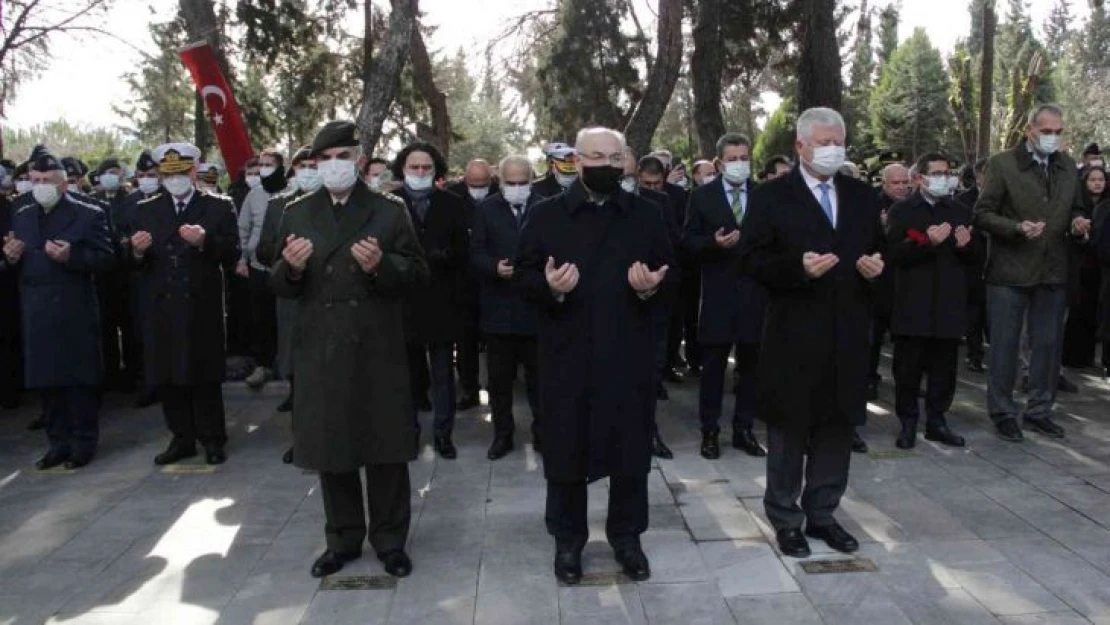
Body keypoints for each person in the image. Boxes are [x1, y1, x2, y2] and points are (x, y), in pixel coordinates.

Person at [515, 127, 674, 584]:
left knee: (629, 451)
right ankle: (568, 541)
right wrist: (549, 289)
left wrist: (652, 288)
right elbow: (524, 277)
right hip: (567, 353)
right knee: (566, 449)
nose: (604, 164)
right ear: (575, 161)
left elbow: (672, 272)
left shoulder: (646, 213)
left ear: (625, 159)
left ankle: (628, 538)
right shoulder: (547, 215)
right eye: (594, 157)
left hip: (629, 352)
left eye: (613, 156)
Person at [271, 120, 427, 580]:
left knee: (385, 447)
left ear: (359, 161)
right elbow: (277, 283)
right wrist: (292, 269)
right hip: (321, 346)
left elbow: (418, 274)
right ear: (314, 165)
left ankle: (390, 540)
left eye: (344, 157)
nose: (335, 166)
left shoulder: (388, 209)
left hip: (377, 344)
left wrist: (383, 266)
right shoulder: (296, 212)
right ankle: (342, 539)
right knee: (331, 447)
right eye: (326, 159)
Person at [739, 107, 884, 558]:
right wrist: (794, 268)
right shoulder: (771, 196)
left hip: (848, 330)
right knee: (790, 429)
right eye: (823, 142)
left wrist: (878, 268)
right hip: (794, 331)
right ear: (800, 146)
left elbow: (878, 252)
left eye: (838, 141)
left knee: (837, 427)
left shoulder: (862, 196)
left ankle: (823, 513)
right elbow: (749, 260)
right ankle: (786, 518)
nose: (832, 149)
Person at [973, 103, 1088, 443]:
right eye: (1046, 131)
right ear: (1030, 131)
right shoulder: (1003, 164)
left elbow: (1077, 208)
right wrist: (1015, 227)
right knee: (1005, 346)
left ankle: (1040, 410)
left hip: (1053, 270)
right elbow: (982, 214)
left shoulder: (1067, 167)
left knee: (1048, 346)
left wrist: (1079, 223)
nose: (1052, 137)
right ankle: (1003, 412)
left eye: (1058, 132)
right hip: (1010, 271)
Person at [3, 152, 114, 469]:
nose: (39, 187)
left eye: (47, 181)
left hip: (72, 307)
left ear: (64, 184)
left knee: (77, 379)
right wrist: (9, 259)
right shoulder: (21, 211)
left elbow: (107, 259)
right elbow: (13, 256)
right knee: (46, 380)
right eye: (35, 181)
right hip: (36, 308)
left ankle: (83, 442)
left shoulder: (89, 213)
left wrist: (73, 258)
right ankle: (57, 442)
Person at [130, 142, 240, 465]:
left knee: (204, 374)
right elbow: (132, 261)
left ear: (193, 172)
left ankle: (213, 438)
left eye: (180, 174)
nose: (173, 180)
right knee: (168, 376)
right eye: (167, 174)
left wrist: (206, 242)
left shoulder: (219, 206)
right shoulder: (146, 209)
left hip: (200, 305)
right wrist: (136, 251)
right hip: (161, 305)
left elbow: (232, 253)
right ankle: (182, 438)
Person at [683, 132, 768, 460]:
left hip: (755, 295)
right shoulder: (702, 197)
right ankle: (710, 431)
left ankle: (744, 430)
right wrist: (712, 244)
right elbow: (688, 241)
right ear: (718, 163)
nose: (739, 164)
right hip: (718, 295)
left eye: (744, 158)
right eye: (732, 159)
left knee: (750, 368)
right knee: (714, 369)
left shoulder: (763, 195)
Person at [886, 153, 974, 450]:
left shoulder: (960, 210)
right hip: (914, 303)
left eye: (946, 172)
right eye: (936, 173)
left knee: (944, 369)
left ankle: (937, 421)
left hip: (948, 303)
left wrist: (965, 247)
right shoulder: (903, 211)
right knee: (908, 369)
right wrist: (926, 243)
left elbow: (974, 259)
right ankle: (908, 422)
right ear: (920, 178)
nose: (943, 178)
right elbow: (895, 254)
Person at [392, 141, 469, 459]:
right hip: (403, 302)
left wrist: (445, 257)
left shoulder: (451, 203)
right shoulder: (390, 203)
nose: (421, 172)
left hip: (441, 300)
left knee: (442, 375)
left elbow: (463, 251)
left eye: (427, 167)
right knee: (407, 375)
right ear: (403, 169)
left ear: (436, 171)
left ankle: (443, 434)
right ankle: (408, 433)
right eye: (414, 167)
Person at [469, 154, 541, 459]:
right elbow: (475, 254)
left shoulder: (545, 206)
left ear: (532, 180)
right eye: (510, 183)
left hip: (537, 310)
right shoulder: (487, 209)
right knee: (500, 382)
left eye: (522, 182)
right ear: (500, 182)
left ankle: (544, 434)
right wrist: (493, 267)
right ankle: (502, 435)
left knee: (541, 381)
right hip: (499, 312)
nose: (516, 188)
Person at [256, 146, 322, 463]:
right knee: (299, 375)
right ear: (293, 170)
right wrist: (287, 252)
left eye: (314, 165)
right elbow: (262, 251)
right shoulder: (278, 205)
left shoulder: (336, 202)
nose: (309, 170)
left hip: (328, 300)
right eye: (303, 165)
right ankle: (303, 440)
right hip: (293, 299)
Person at [447, 159, 499, 411]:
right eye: (473, 184)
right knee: (465, 341)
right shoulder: (453, 198)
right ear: (464, 180)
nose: (478, 189)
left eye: (483, 184)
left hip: (496, 281)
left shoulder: (501, 195)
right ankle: (468, 388)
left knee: (497, 341)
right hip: (463, 282)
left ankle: (498, 386)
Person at [238, 148, 287, 390]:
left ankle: (287, 366)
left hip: (287, 266)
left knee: (286, 318)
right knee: (261, 318)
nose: (265, 168)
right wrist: (242, 260)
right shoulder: (254, 195)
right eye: (262, 164)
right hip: (257, 267)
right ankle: (263, 366)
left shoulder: (291, 193)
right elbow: (243, 229)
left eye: (270, 164)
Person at [92, 158, 139, 394]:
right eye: (106, 172)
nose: (111, 176)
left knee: (130, 326)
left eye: (115, 172)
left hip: (128, 273)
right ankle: (111, 377)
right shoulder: (93, 202)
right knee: (106, 328)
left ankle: (133, 377)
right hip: (103, 276)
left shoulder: (132, 200)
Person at [867, 164, 910, 400]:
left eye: (905, 182)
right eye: (896, 183)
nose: (902, 187)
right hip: (880, 281)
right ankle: (869, 378)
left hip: (908, 282)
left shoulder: (913, 205)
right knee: (873, 336)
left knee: (905, 338)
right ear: (884, 183)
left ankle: (906, 381)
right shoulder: (872, 204)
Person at [1062, 165, 1107, 371]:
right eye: (1092, 180)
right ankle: (1072, 356)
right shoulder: (1078, 206)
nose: (1097, 183)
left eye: (1101, 179)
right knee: (1076, 310)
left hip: (1101, 267)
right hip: (1078, 264)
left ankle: (1088, 356)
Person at [955, 159, 990, 373]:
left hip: (998, 262)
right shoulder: (963, 201)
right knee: (974, 312)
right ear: (978, 177)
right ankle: (974, 354)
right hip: (973, 262)